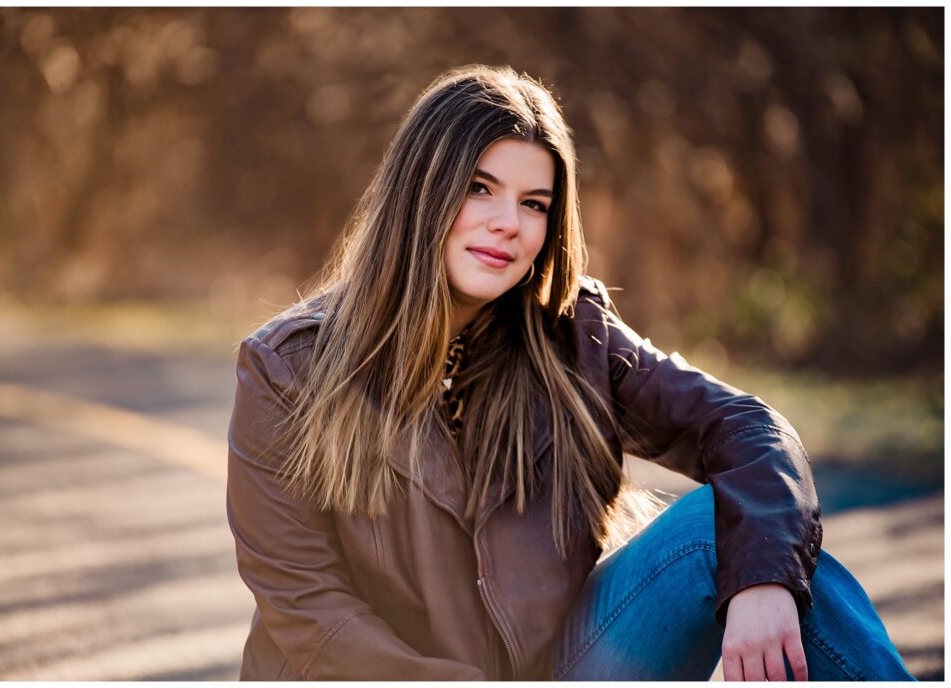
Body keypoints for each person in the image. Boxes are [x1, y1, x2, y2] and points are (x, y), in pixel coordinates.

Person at [226, 65, 914, 681]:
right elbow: (309, 610)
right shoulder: (287, 368)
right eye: (480, 189)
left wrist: (763, 583)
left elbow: (746, 428)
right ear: (420, 191)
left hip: (559, 671)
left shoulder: (571, 334)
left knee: (747, 529)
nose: (508, 224)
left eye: (534, 204)